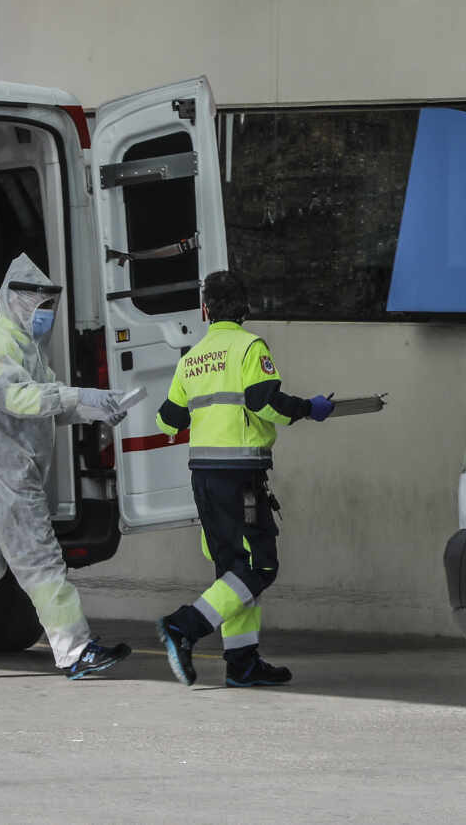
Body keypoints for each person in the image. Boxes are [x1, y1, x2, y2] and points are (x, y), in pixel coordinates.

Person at [0, 254, 133, 680]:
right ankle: (75, 650)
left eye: (49, 306)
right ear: (15, 302)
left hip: (8, 472)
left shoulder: (25, 348)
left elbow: (44, 406)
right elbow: (20, 400)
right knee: (42, 560)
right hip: (7, 473)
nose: (45, 314)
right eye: (40, 305)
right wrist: (77, 395)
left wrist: (95, 409)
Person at [153, 271, 338, 688]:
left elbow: (168, 420)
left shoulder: (192, 357)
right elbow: (263, 401)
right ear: (245, 307)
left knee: (232, 570)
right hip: (240, 476)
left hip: (203, 477)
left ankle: (242, 662)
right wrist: (309, 407)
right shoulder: (249, 346)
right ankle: (183, 626)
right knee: (259, 565)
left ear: (205, 310)